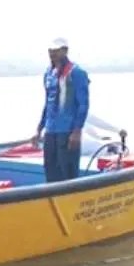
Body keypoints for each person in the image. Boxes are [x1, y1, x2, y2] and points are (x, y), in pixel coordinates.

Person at [30, 37, 90, 182]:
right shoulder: (49, 73)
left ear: (65, 51)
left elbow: (83, 104)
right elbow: (47, 103)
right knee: (51, 172)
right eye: (50, 51)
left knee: (67, 174)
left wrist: (76, 131)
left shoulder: (76, 72)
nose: (53, 54)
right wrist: (39, 129)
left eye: (56, 50)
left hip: (67, 131)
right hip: (51, 131)